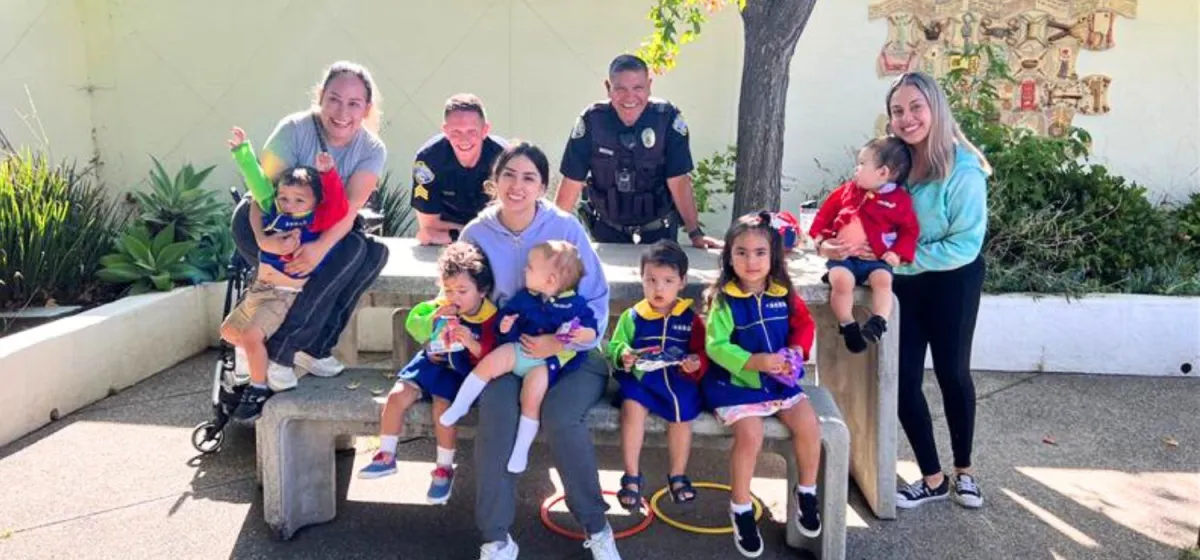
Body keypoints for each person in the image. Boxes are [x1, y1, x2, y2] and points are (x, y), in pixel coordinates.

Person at [818, 71, 989, 511]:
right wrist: (831, 244)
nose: (907, 118)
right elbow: (849, 209)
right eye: (897, 110)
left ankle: (965, 471)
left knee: (952, 373)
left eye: (916, 107)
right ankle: (932, 478)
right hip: (900, 285)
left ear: (936, 109)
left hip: (952, 280)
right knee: (901, 378)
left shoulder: (963, 170)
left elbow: (965, 244)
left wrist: (891, 257)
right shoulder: (890, 161)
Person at [459, 141, 621, 560]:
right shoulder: (476, 234)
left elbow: (596, 300)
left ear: (543, 186)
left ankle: (597, 527)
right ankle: (496, 538)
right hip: (511, 354)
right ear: (494, 181)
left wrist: (560, 341)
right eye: (509, 175)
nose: (517, 185)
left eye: (529, 177)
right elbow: (462, 294)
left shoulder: (565, 228)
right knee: (496, 415)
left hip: (572, 357)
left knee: (561, 418)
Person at [230, 60, 388, 382]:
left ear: (366, 109)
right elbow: (262, 194)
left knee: (369, 253)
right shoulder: (293, 129)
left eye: (354, 103)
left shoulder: (372, 149)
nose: (342, 112)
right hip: (266, 221)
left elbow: (349, 211)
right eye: (334, 99)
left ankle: (310, 347)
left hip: (319, 229)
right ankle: (271, 346)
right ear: (320, 97)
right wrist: (265, 241)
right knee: (311, 274)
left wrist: (318, 249)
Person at [702, 211, 823, 558]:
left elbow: (804, 326)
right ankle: (740, 507)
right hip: (735, 384)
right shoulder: (724, 300)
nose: (751, 261)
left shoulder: (783, 294)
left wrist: (796, 350)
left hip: (779, 381)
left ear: (773, 257)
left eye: (759, 252)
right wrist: (755, 362)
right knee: (751, 434)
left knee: (809, 425)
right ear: (729, 257)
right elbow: (716, 345)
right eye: (741, 252)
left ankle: (807, 491)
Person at [220, 127, 348, 420]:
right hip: (259, 289)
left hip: (282, 295)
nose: (289, 205)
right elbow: (257, 182)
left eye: (299, 200)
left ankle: (257, 386)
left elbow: (338, 207)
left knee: (251, 335)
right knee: (228, 332)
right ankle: (257, 362)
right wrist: (242, 150)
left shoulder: (315, 221)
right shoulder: (274, 212)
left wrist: (328, 173)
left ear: (314, 202)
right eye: (285, 198)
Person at [356, 241, 498, 506]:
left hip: (458, 374)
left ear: (482, 291)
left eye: (462, 291)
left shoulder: (490, 318)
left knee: (442, 409)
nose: (454, 297)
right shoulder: (440, 306)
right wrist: (433, 318)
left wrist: (470, 342)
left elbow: (491, 358)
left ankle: (444, 468)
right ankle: (386, 455)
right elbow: (415, 326)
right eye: (448, 290)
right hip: (430, 364)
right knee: (397, 395)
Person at [439, 240, 598, 475]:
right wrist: (506, 325)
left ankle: (521, 449)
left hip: (546, 363)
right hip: (518, 349)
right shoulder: (526, 297)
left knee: (531, 399)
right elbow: (506, 317)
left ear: (550, 280)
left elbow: (592, 330)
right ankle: (460, 406)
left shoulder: (575, 305)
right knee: (489, 363)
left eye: (530, 267)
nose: (525, 269)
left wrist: (581, 334)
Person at [555, 53, 721, 249]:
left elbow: (678, 180)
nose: (630, 97)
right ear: (608, 88)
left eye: (638, 88)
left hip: (659, 233)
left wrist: (695, 233)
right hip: (606, 232)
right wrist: (553, 235)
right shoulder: (592, 120)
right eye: (620, 89)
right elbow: (572, 181)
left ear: (649, 86)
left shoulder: (666, 118)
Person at [606, 240, 707, 512]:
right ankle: (631, 476)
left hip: (677, 382)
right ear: (641, 279)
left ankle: (677, 475)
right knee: (631, 408)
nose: (658, 288)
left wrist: (696, 362)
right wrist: (624, 355)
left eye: (667, 281)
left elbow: (702, 352)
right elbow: (615, 346)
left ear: (682, 282)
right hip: (641, 381)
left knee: (682, 414)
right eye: (651, 280)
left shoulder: (690, 319)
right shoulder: (632, 316)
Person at [809, 136, 919, 353]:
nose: (856, 169)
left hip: (875, 261)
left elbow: (909, 230)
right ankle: (847, 324)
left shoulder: (899, 201)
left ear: (883, 173)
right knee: (842, 282)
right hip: (844, 258)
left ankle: (878, 322)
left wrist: (897, 253)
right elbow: (824, 217)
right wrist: (821, 241)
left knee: (884, 281)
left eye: (862, 164)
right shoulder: (846, 191)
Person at [412, 94, 507, 245]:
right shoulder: (427, 161)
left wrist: (457, 235)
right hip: (452, 242)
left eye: (472, 131)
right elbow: (429, 226)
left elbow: (516, 219)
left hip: (496, 241)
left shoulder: (506, 159)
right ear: (445, 131)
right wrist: (471, 236)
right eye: (456, 132)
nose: (464, 139)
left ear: (485, 130)